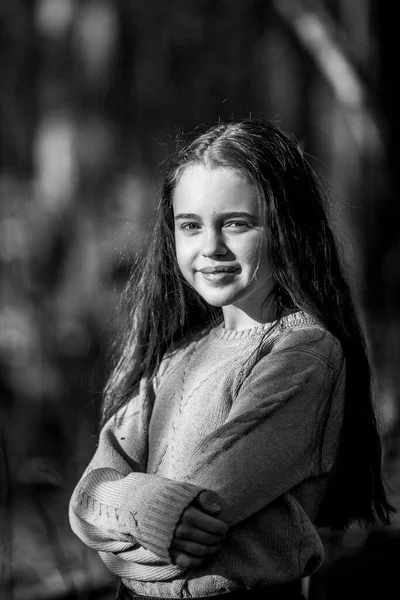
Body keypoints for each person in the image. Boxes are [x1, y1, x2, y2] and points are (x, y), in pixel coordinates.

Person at [68, 118, 395, 600]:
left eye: (237, 224)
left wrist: (116, 530)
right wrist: (151, 512)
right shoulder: (176, 358)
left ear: (286, 227)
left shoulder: (303, 354)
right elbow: (84, 497)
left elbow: (203, 507)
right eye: (191, 226)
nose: (211, 247)